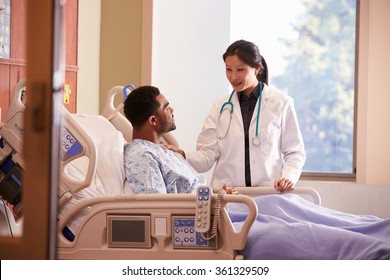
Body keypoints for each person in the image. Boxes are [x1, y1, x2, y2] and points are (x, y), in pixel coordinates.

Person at [168, 40, 305, 192]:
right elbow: (206, 157)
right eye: (228, 69)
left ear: (256, 69)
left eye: (240, 70)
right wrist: (183, 154)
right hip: (228, 195)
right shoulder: (219, 107)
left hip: (268, 193)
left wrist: (288, 177)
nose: (233, 77)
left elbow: (294, 151)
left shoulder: (281, 103)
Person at [123, 85, 206, 194]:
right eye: (167, 108)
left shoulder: (160, 150)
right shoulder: (141, 156)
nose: (172, 110)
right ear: (153, 120)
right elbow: (157, 205)